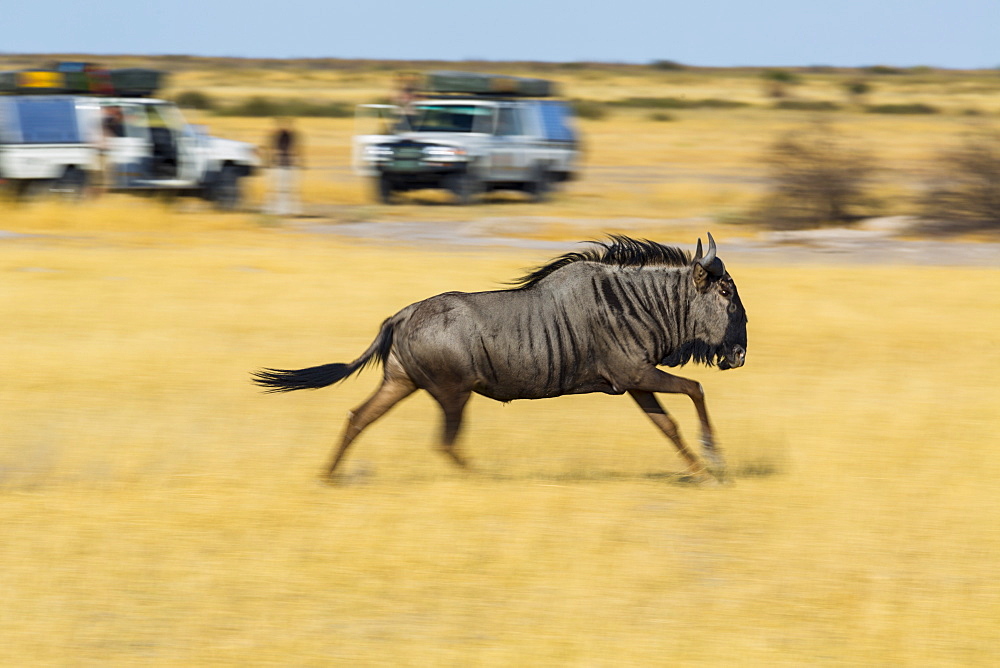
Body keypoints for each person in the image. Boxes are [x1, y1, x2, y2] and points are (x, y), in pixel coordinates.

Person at [265, 117, 303, 216]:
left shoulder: (291, 136)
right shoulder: (276, 136)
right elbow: (272, 149)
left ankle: (287, 210)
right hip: (280, 164)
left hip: (286, 164)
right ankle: (277, 210)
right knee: (279, 188)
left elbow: (296, 149)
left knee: (286, 188)